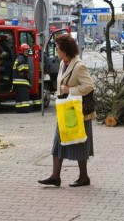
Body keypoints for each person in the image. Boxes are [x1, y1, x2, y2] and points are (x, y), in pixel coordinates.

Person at [38, 34, 95, 187]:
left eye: (58, 48)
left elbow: (89, 86)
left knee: (80, 142)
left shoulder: (78, 65)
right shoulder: (64, 63)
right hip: (65, 110)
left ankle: (84, 177)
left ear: (65, 49)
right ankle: (55, 176)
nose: (56, 51)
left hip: (78, 111)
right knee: (58, 141)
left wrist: (70, 90)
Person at [12, 43, 31, 113]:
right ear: (22, 51)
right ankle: (25, 110)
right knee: (24, 97)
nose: (27, 52)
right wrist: (26, 72)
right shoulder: (21, 58)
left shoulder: (19, 57)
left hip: (17, 81)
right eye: (25, 51)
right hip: (21, 81)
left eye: (28, 51)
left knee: (19, 97)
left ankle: (19, 109)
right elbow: (20, 67)